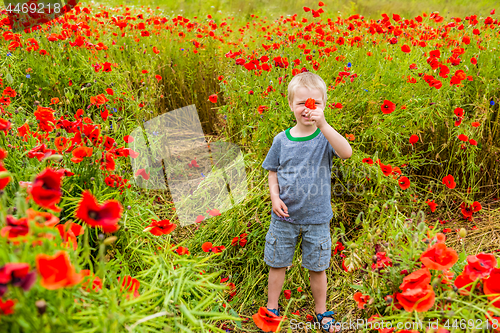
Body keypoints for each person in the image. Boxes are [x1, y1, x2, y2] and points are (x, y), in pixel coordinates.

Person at [261, 71, 352, 333]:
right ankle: (272, 308)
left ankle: (321, 312)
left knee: (317, 267)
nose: (307, 109)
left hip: (317, 218)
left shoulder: (325, 137)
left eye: (315, 103)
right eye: (302, 103)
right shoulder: (281, 140)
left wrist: (324, 125)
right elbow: (273, 171)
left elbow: (346, 152)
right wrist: (275, 197)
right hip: (284, 217)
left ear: (324, 106)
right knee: (277, 263)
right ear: (291, 105)